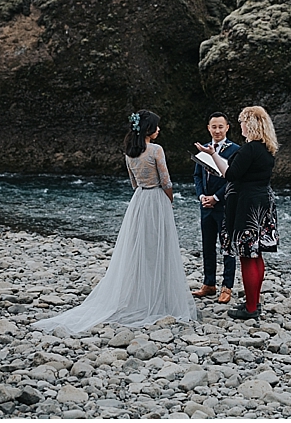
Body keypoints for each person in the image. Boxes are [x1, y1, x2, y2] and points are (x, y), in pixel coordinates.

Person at [33, 110, 197, 333]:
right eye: (156, 126)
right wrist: (168, 202)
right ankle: (161, 298)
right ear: (148, 129)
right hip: (156, 200)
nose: (159, 130)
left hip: (139, 201)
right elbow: (166, 182)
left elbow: (133, 183)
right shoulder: (156, 150)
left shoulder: (130, 153)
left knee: (138, 250)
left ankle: (140, 296)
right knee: (159, 248)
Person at [194, 106, 278, 320]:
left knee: (247, 257)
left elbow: (230, 174)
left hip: (247, 205)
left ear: (249, 125)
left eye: (242, 122)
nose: (240, 126)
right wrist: (214, 154)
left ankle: (250, 308)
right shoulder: (266, 148)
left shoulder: (249, 149)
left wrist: (213, 158)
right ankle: (254, 302)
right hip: (262, 203)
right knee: (256, 255)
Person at [192, 112, 239, 304]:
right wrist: (202, 195)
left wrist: (216, 197)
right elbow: (197, 175)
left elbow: (235, 179)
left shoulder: (235, 150)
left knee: (227, 246)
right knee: (207, 245)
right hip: (205, 205)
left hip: (225, 205)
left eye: (221, 126)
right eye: (214, 127)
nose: (217, 130)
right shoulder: (203, 148)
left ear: (227, 127)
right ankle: (208, 283)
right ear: (208, 128)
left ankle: (227, 287)